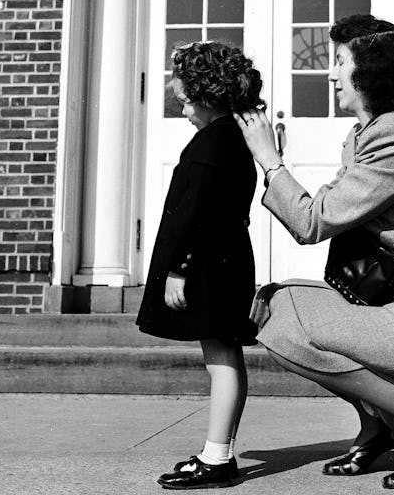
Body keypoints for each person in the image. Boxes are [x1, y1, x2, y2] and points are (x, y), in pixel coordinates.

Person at [234, 14, 394, 491]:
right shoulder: (366, 136)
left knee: (279, 315)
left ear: (369, 72)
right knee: (279, 299)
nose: (331, 73)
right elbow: (324, 210)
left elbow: (312, 221)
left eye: (339, 62)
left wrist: (269, 159)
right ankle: (378, 430)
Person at [137, 41, 263, 490]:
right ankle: (217, 452)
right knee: (221, 354)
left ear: (208, 95)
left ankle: (217, 457)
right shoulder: (227, 137)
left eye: (188, 101)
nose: (184, 109)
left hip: (211, 263)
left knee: (221, 356)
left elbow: (197, 212)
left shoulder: (215, 142)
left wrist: (179, 267)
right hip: (223, 259)